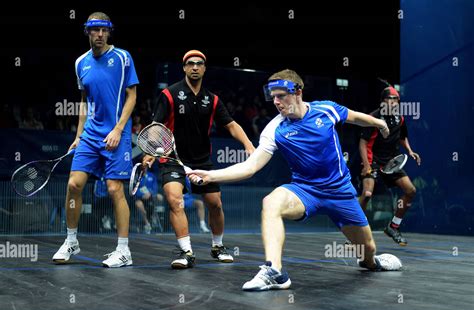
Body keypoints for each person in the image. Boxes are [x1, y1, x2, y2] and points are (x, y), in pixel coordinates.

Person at [188, 69, 403, 291]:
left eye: (281, 95)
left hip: (341, 193)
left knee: (367, 252)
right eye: (272, 97)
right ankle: (275, 271)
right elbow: (250, 167)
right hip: (305, 191)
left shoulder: (326, 110)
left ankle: (372, 261)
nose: (276, 102)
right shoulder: (275, 129)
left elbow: (356, 117)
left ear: (298, 91)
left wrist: (379, 124)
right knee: (271, 202)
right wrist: (211, 175)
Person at [142, 50, 255, 269]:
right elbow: (155, 127)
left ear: (204, 68)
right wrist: (151, 152)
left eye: (199, 64)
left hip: (202, 161)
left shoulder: (212, 100)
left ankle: (218, 246)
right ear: (184, 68)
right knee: (175, 200)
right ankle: (186, 252)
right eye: (190, 64)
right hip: (172, 158)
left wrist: (248, 144)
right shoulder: (169, 94)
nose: (195, 67)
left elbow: (231, 125)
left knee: (215, 204)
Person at [52, 12, 139, 267]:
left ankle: (124, 251)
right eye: (94, 30)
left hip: (117, 133)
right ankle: (71, 241)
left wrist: (118, 129)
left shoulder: (123, 57)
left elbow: (132, 96)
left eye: (103, 30)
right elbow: (83, 102)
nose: (99, 35)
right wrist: (78, 135)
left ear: (109, 32)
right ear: (87, 32)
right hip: (90, 134)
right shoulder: (81, 62)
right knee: (74, 185)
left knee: (114, 189)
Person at [359, 86, 421, 246]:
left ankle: (393, 226)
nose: (393, 102)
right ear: (383, 101)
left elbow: (402, 137)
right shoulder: (373, 117)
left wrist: (410, 150)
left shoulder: (399, 118)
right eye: (389, 99)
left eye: (395, 99)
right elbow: (363, 143)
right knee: (366, 194)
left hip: (391, 162)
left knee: (411, 190)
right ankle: (355, 232)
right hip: (372, 161)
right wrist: (366, 165)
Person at [134, 169, 164, 233]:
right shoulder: (136, 176)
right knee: (139, 204)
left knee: (160, 197)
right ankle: (147, 223)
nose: (144, 168)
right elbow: (134, 189)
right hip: (139, 198)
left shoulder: (151, 175)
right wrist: (142, 195)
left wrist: (151, 193)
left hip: (150, 196)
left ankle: (156, 219)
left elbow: (155, 187)